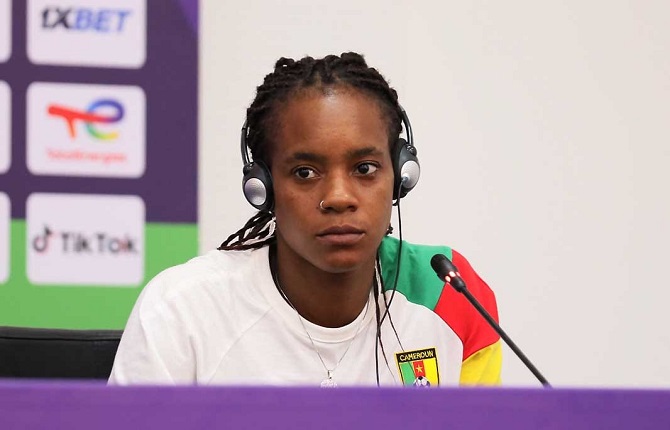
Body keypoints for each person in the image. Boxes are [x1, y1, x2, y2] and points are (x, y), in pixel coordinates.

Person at [109, 52, 501, 387]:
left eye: (365, 168)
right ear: (264, 188)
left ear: (400, 176)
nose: (339, 197)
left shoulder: (449, 291)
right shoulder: (183, 311)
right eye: (305, 173)